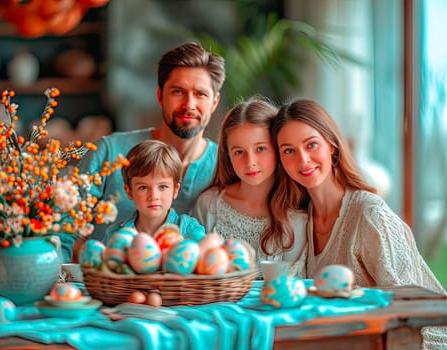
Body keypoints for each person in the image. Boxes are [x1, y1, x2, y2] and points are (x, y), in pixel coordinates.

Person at [270, 97, 446, 348]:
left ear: (332, 145)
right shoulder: (301, 221)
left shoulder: (369, 214)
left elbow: (410, 313)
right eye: (289, 150)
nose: (303, 160)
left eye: (311, 145)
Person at [77, 42, 225, 241]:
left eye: (201, 94)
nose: (189, 105)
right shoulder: (110, 153)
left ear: (214, 102)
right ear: (160, 96)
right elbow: (62, 230)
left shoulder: (226, 166)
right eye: (178, 92)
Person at [191, 97, 306, 276]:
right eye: (238, 152)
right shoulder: (209, 205)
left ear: (277, 148)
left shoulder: (296, 216)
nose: (250, 162)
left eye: (260, 149)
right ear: (227, 155)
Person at [104, 140, 205, 243]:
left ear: (175, 190)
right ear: (129, 191)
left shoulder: (189, 230)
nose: (153, 196)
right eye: (143, 187)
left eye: (163, 187)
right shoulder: (115, 235)